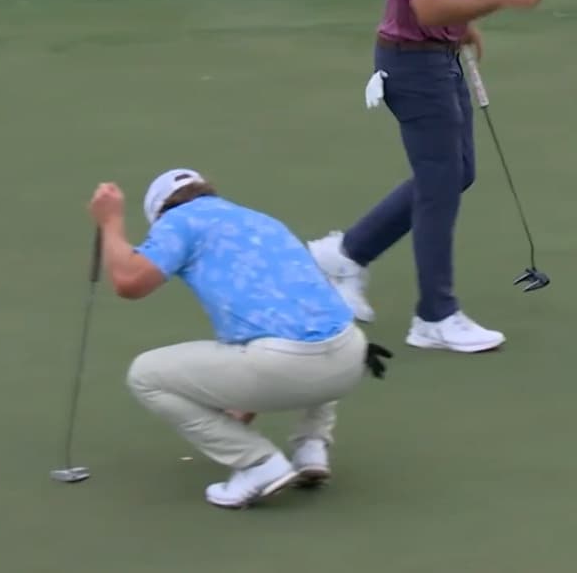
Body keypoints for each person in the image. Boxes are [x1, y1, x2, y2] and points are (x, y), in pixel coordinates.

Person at [307, 0, 550, 354]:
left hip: (429, 55)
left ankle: (345, 255)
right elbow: (427, 6)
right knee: (442, 183)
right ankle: (434, 316)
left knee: (454, 172)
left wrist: (461, 23)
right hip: (414, 66)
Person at [85, 167, 391, 509]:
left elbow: (129, 282)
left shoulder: (179, 220)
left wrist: (110, 222)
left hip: (284, 365)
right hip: (350, 358)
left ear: (159, 214)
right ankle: (311, 449)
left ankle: (258, 463)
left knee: (145, 375)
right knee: (311, 326)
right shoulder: (260, 221)